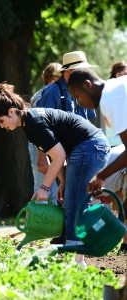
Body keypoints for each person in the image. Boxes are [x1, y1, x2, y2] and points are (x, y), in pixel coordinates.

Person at [0, 82, 110, 268]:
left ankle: (79, 260)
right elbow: (55, 155)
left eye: (1, 121)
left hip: (91, 147)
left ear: (11, 111)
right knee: (71, 200)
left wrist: (44, 187)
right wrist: (62, 182)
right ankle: (77, 256)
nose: (2, 127)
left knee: (74, 204)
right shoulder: (28, 125)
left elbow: (59, 156)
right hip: (84, 149)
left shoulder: (35, 123)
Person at [36, 51, 97, 244]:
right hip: (59, 150)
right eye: (83, 70)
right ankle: (67, 234)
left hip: (81, 148)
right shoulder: (51, 92)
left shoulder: (84, 90)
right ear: (69, 73)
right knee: (67, 192)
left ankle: (76, 233)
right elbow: (41, 129)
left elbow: (90, 119)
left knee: (77, 191)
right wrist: (42, 157)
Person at [68, 68, 127, 255]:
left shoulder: (109, 97)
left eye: (78, 96)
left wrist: (101, 176)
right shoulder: (117, 88)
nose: (80, 103)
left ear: (87, 85)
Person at [29, 62, 62, 205]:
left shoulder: (58, 93)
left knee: (57, 184)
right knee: (43, 183)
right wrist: (41, 157)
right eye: (58, 77)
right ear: (50, 77)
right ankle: (42, 222)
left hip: (52, 143)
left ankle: (55, 221)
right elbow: (39, 128)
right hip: (40, 144)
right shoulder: (42, 96)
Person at [101, 61, 127, 147]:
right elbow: (107, 122)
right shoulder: (108, 92)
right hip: (114, 141)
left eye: (125, 73)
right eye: (120, 74)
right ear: (114, 75)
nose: (123, 76)